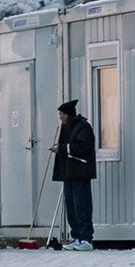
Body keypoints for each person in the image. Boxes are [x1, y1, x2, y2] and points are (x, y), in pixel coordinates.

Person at [49, 99, 96, 250]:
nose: (60, 117)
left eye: (62, 114)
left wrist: (62, 148)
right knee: (71, 208)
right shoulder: (66, 128)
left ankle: (86, 239)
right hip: (68, 174)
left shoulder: (83, 127)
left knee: (82, 206)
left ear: (68, 114)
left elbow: (84, 147)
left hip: (80, 173)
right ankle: (77, 237)